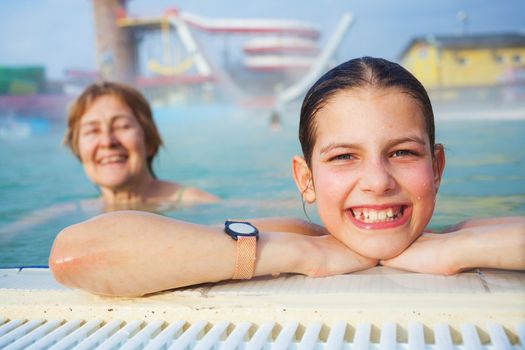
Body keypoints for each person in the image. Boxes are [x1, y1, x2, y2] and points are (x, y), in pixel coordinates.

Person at [49, 57, 525, 297]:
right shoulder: (299, 236)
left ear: (436, 168)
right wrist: (303, 251)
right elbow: (77, 256)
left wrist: (455, 249)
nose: (377, 181)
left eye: (402, 152)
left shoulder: (458, 236)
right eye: (343, 157)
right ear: (306, 179)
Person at [64, 81, 219, 209]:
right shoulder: (66, 213)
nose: (107, 142)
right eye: (92, 131)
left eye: (122, 126)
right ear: (77, 150)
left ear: (150, 141)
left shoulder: (198, 204)